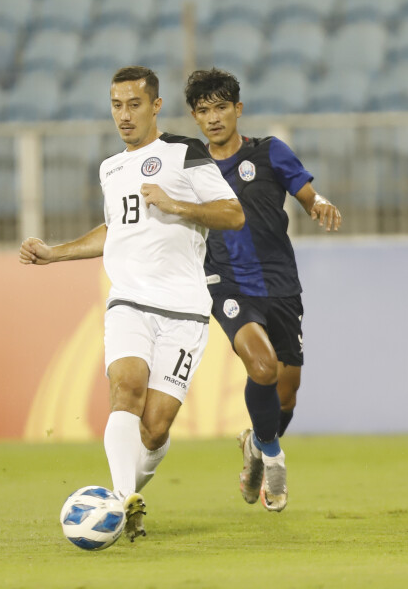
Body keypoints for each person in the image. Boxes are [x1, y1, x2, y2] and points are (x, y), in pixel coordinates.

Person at [20, 66, 244, 542]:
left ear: (156, 106)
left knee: (156, 428)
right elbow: (114, 230)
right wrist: (54, 253)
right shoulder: (111, 168)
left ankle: (124, 495)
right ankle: (123, 502)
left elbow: (232, 213)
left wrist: (177, 205)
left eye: (134, 105)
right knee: (126, 388)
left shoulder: (186, 152)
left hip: (184, 310)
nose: (124, 115)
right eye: (117, 105)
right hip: (129, 300)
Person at [184, 68, 342, 513]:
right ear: (195, 117)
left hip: (281, 284)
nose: (213, 118)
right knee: (262, 365)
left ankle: (255, 444)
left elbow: (308, 195)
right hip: (227, 284)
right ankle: (273, 461)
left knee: (286, 393)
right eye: (203, 111)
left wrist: (320, 203)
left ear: (238, 109)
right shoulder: (191, 166)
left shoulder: (270, 152)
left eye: (221, 107)